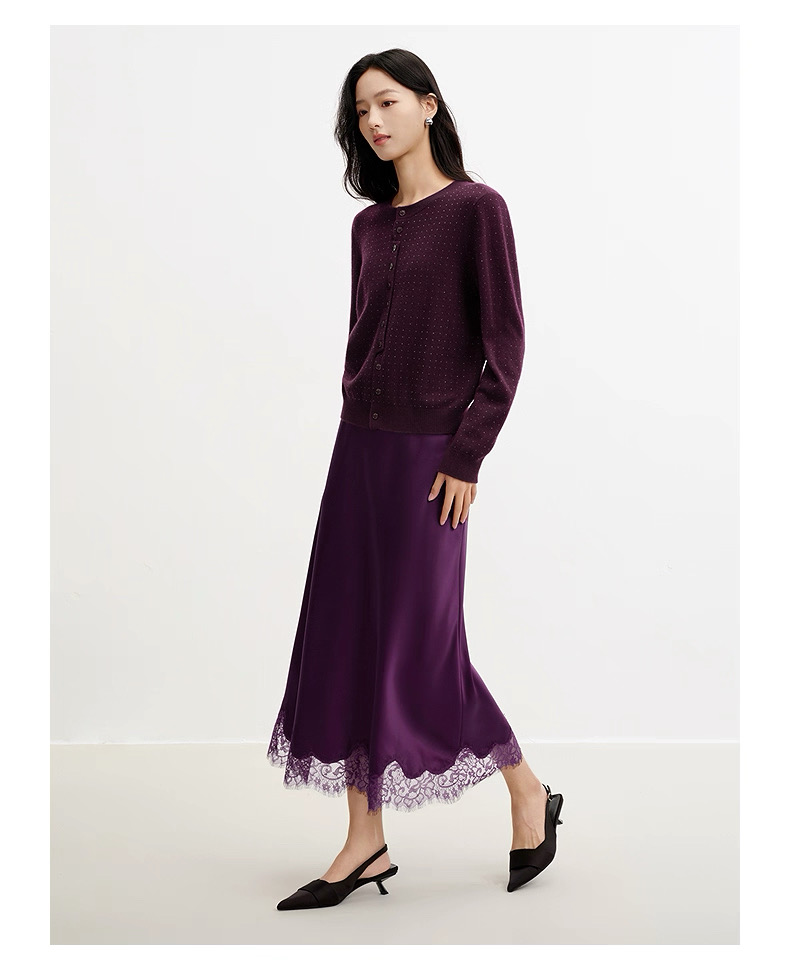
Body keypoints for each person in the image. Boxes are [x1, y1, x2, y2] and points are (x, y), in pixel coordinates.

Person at [267, 48, 564, 911]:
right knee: (348, 636)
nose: (373, 121)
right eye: (360, 110)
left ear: (429, 105)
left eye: (388, 101)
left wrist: (466, 454)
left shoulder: (477, 210)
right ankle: (364, 839)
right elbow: (362, 340)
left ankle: (526, 790)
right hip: (358, 451)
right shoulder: (367, 226)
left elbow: (506, 345)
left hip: (432, 461)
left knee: (422, 649)